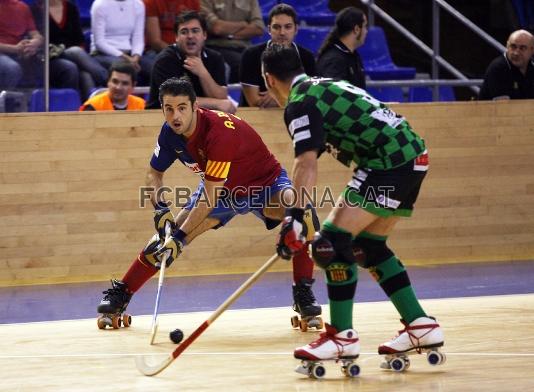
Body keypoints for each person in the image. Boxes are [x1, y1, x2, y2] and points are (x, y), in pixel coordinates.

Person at [261, 45, 444, 365]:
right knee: (367, 245)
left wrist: (294, 218)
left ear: (268, 79)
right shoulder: (321, 86)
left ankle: (341, 336)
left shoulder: (300, 103)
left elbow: (306, 163)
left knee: (329, 244)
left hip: (389, 163)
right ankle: (419, 323)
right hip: (412, 156)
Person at [97, 77, 321, 330]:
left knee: (305, 218)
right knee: (163, 239)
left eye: (182, 107)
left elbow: (210, 196)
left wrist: (180, 239)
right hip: (222, 191)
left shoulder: (218, 132)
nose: (175, 116)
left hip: (265, 185)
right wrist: (161, 210)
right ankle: (121, 294)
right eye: (169, 109)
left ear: (194, 107)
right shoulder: (170, 133)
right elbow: (154, 173)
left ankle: (303, 295)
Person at [146, 10, 235, 113]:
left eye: (195, 31)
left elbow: (221, 97)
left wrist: (202, 72)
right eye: (184, 32)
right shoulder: (165, 60)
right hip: (160, 118)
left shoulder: (215, 57)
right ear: (176, 37)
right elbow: (176, 101)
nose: (190, 36)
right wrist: (216, 104)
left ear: (204, 35)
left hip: (200, 117)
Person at [239, 3, 316, 108]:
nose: (282, 32)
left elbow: (310, 98)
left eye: (288, 27)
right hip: (256, 116)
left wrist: (276, 95)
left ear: (296, 29)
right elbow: (254, 102)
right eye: (276, 27)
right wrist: (289, 96)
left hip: (295, 114)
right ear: (269, 30)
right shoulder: (251, 55)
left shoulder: (307, 57)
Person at [31, 0, 108, 99]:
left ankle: (90, 109)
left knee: (85, 74)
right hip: (49, 59)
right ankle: (108, 81)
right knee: (73, 61)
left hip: (74, 56)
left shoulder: (71, 8)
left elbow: (79, 39)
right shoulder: (36, 10)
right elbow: (36, 39)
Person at [200, 0, 265, 83]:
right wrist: (243, 24)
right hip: (217, 46)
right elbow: (217, 28)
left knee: (268, 63)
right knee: (243, 64)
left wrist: (229, 35)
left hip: (245, 47)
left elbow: (258, 28)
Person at [90, 0, 153, 85]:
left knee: (156, 68)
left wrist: (136, 57)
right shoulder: (100, 4)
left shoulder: (138, 4)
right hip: (103, 54)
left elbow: (138, 36)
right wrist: (126, 58)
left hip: (130, 54)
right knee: (124, 67)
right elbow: (99, 42)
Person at [316, 6, 368, 89]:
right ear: (356, 29)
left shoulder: (353, 56)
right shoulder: (334, 60)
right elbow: (332, 96)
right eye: (365, 26)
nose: (366, 31)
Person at [479, 29, 534, 100]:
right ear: (507, 46)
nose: (516, 53)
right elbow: (504, 107)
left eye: (522, 48)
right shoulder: (498, 69)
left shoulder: (532, 67)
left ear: (532, 50)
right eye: (513, 47)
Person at [0, 0, 43, 89]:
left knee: (50, 65)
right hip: (4, 53)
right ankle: (5, 101)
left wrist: (34, 42)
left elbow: (35, 34)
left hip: (20, 52)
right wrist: (14, 49)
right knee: (11, 68)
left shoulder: (22, 7)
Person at [80, 61, 145, 111]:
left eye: (125, 83)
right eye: (115, 82)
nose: (118, 87)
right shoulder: (93, 106)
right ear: (108, 82)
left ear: (133, 86)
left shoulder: (141, 106)